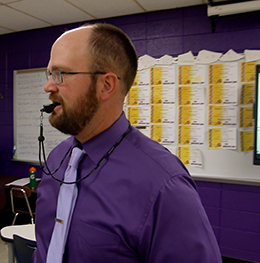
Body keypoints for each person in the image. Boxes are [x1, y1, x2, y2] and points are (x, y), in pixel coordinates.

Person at [33, 23, 222, 263]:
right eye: (49, 74)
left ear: (105, 86)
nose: (48, 86)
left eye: (60, 74)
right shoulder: (56, 160)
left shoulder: (165, 186)